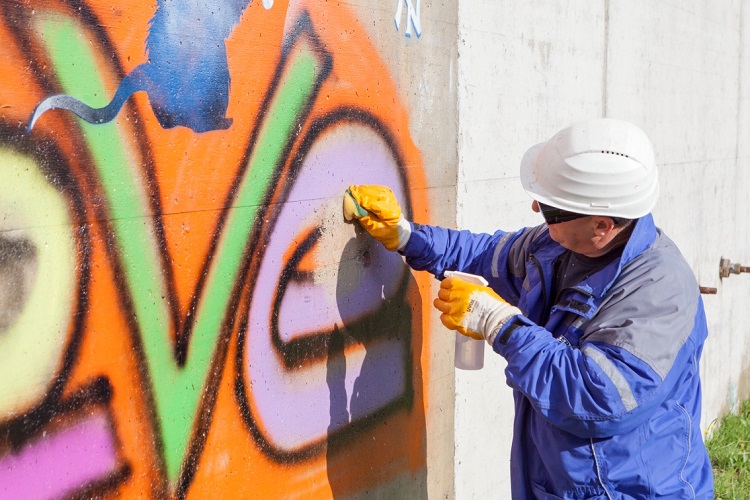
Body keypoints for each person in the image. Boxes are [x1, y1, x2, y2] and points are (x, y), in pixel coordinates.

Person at [345, 118, 713, 498]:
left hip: (629, 490)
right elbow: (481, 254)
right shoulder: (556, 245)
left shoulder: (659, 292)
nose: (535, 206)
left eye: (551, 209)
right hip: (561, 483)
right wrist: (407, 235)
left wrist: (500, 323)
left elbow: (598, 398)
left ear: (601, 226)